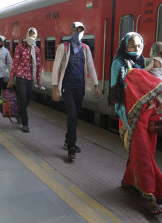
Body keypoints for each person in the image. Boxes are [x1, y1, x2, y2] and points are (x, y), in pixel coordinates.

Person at [110, 32, 162, 215]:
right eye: (132, 46)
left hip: (149, 115)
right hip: (131, 118)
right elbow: (116, 93)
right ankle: (150, 195)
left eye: (138, 46)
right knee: (143, 154)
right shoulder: (118, 64)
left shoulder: (145, 62)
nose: (136, 50)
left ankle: (129, 180)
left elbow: (154, 82)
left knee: (146, 152)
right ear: (124, 46)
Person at [52, 22, 100, 159]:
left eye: (81, 30)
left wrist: (96, 85)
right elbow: (56, 68)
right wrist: (55, 88)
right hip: (67, 87)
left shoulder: (85, 48)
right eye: (76, 29)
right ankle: (71, 148)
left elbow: (91, 66)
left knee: (75, 116)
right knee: (72, 116)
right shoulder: (63, 47)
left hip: (80, 87)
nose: (78, 32)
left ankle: (68, 140)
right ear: (71, 30)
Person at [7, 28, 41, 132]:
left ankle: (20, 112)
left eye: (34, 36)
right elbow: (15, 63)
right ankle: (25, 124)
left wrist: (38, 81)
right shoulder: (20, 47)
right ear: (27, 35)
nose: (32, 38)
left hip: (30, 77)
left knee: (27, 99)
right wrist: (11, 78)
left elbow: (38, 66)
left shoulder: (36, 50)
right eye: (30, 35)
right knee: (23, 98)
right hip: (20, 76)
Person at [145, 42, 162, 110]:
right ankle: (161, 103)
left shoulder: (154, 60)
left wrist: (141, 70)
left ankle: (151, 103)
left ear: (153, 51)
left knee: (146, 89)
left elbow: (149, 67)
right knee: (154, 93)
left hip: (155, 82)